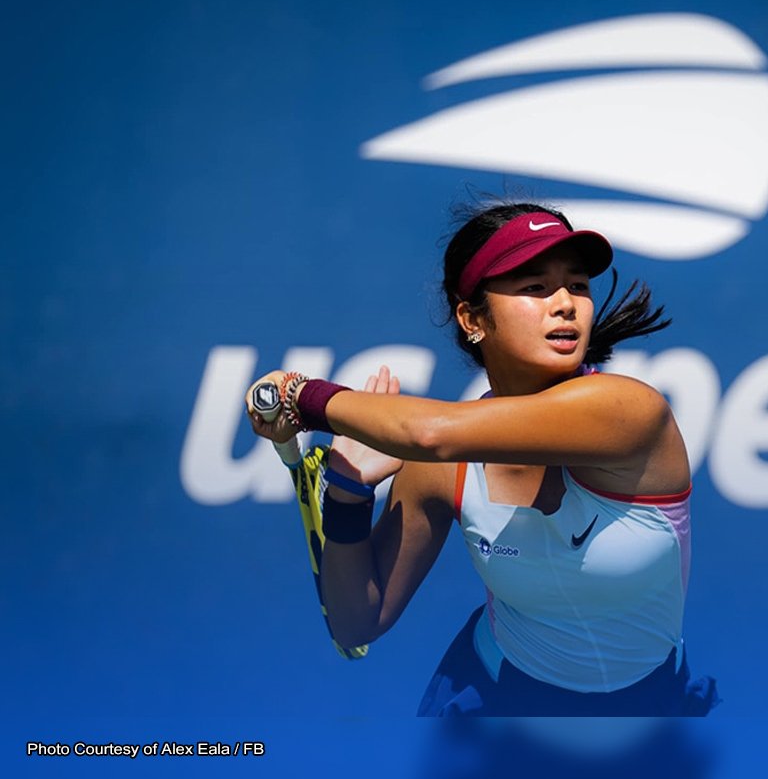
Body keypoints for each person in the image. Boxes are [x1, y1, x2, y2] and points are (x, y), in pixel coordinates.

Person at [246, 202, 718, 716]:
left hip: (651, 711)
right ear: (472, 319)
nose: (565, 304)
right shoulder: (446, 465)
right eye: (535, 287)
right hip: (495, 703)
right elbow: (358, 623)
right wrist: (348, 492)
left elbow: (428, 433)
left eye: (577, 286)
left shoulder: (629, 411)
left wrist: (299, 394)